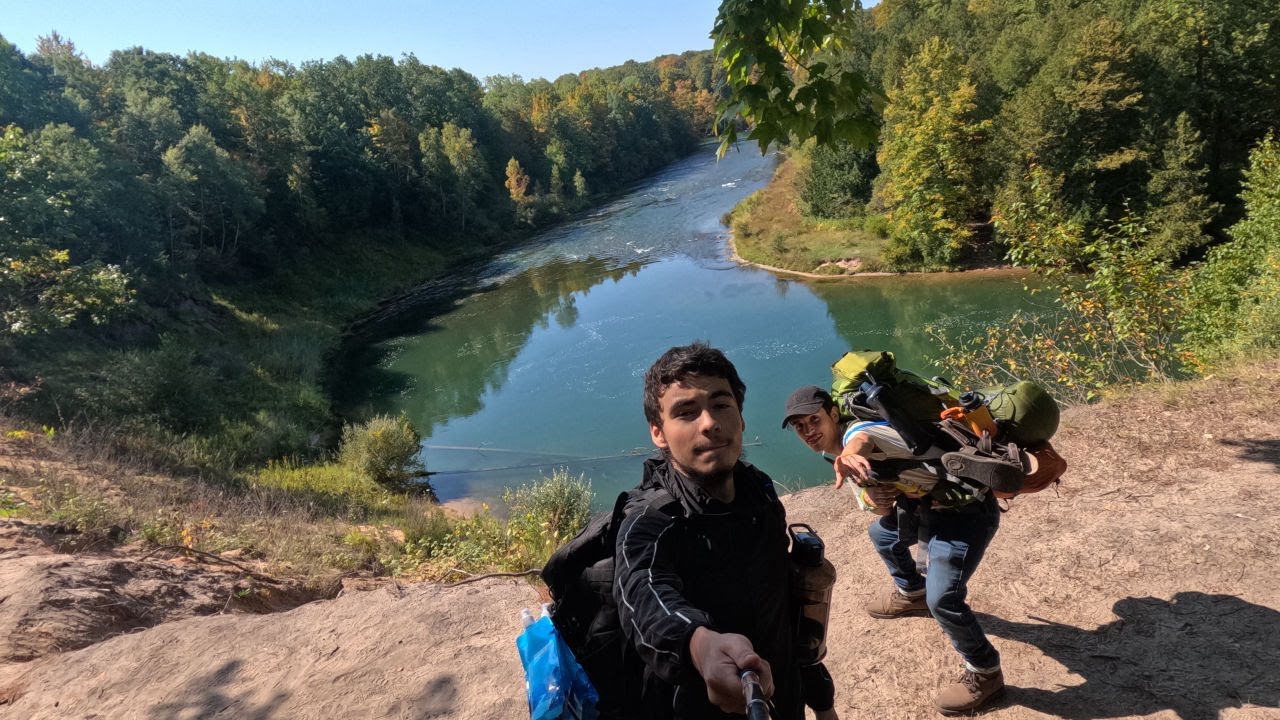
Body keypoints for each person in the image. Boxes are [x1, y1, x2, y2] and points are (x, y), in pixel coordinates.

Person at [615, 344, 838, 720]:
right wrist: (698, 644)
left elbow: (784, 609)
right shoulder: (650, 520)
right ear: (658, 432)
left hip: (784, 696)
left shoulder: (759, 491)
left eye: (721, 405)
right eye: (686, 412)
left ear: (741, 418)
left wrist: (823, 702)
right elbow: (643, 591)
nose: (708, 423)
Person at [782, 384, 1006, 715]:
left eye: (814, 420)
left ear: (833, 414)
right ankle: (911, 592)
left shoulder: (859, 431)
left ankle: (986, 672)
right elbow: (879, 504)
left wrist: (849, 453)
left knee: (943, 598)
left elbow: (866, 438)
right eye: (800, 428)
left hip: (967, 515)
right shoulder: (842, 444)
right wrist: (874, 500)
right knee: (882, 534)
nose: (808, 432)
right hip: (932, 507)